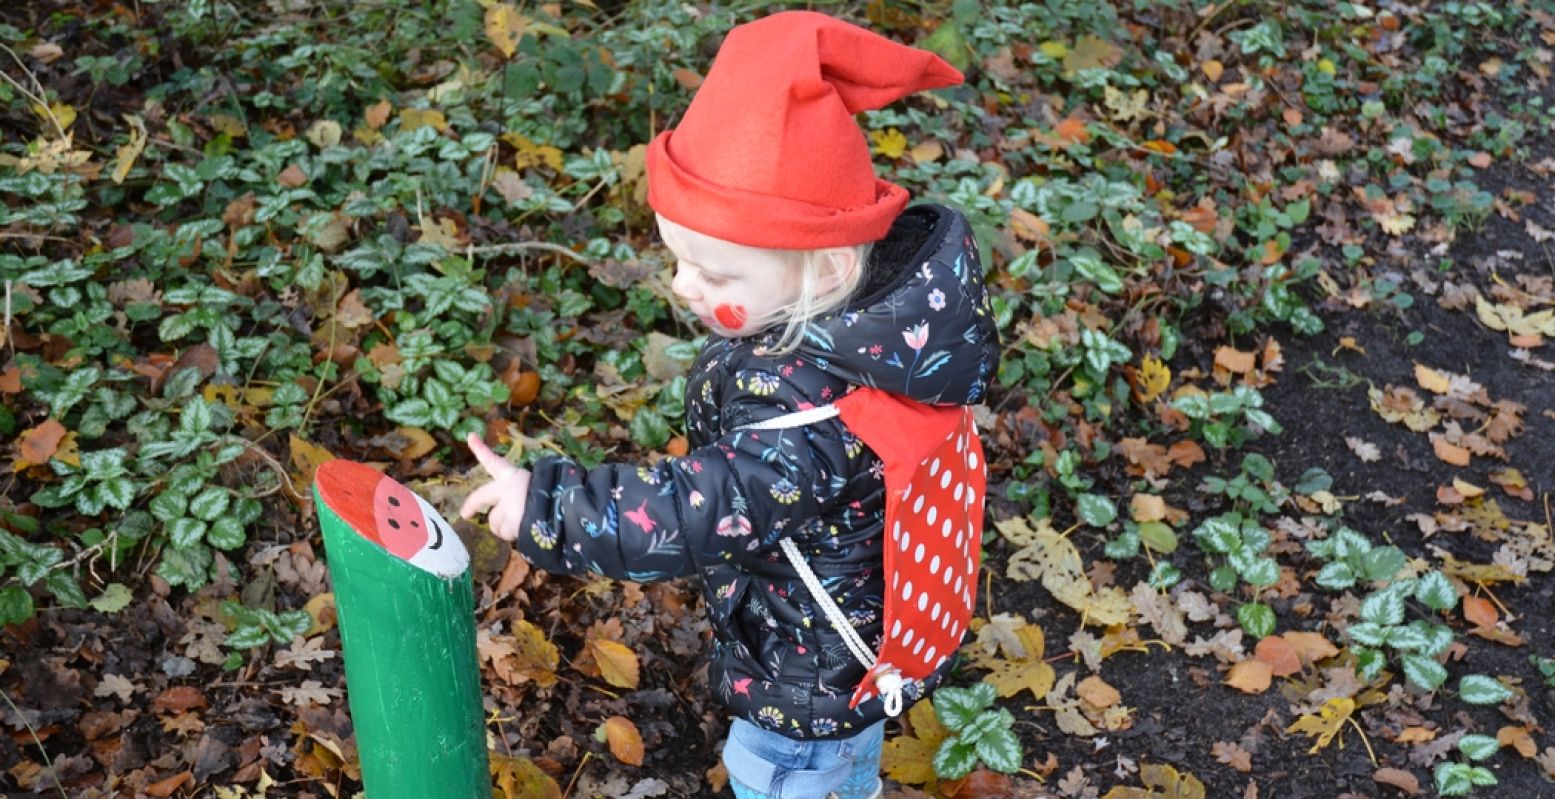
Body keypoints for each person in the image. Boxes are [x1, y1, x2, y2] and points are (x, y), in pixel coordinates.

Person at [461, 11, 1000, 799]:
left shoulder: (809, 410)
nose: (684, 287)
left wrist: (549, 505)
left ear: (819, 271)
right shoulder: (881, 340)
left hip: (811, 669)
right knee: (840, 766)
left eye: (714, 274)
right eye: (677, 257)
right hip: (847, 630)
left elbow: (702, 507)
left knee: (781, 777)